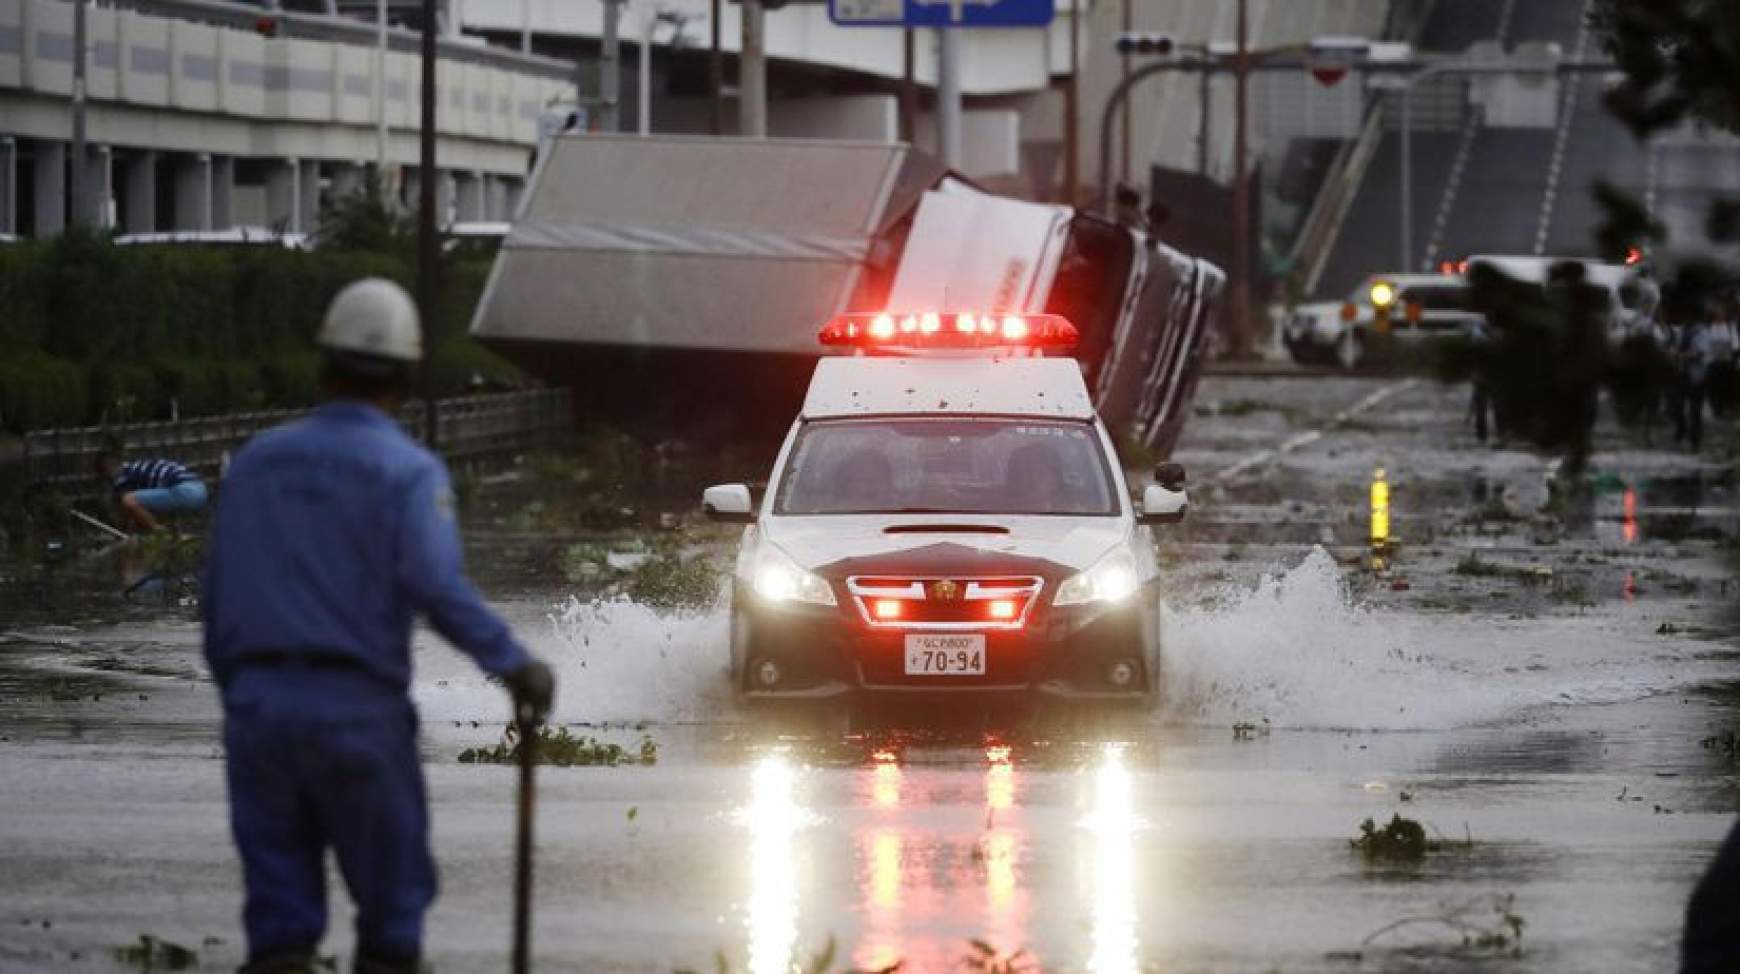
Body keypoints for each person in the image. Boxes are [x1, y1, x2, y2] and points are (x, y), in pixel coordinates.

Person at [203, 278, 556, 974]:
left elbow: (217, 605)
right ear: (405, 373)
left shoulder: (256, 464)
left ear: (324, 361)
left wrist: (249, 697)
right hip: (358, 715)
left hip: (260, 713)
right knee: (392, 919)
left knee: (278, 928)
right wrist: (513, 663)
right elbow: (437, 589)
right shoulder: (406, 472)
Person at [95, 446, 208, 534]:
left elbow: (126, 507)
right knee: (149, 505)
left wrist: (123, 528)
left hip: (185, 491)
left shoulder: (123, 475)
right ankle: (173, 532)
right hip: (200, 489)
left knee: (128, 500)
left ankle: (160, 533)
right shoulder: (140, 466)